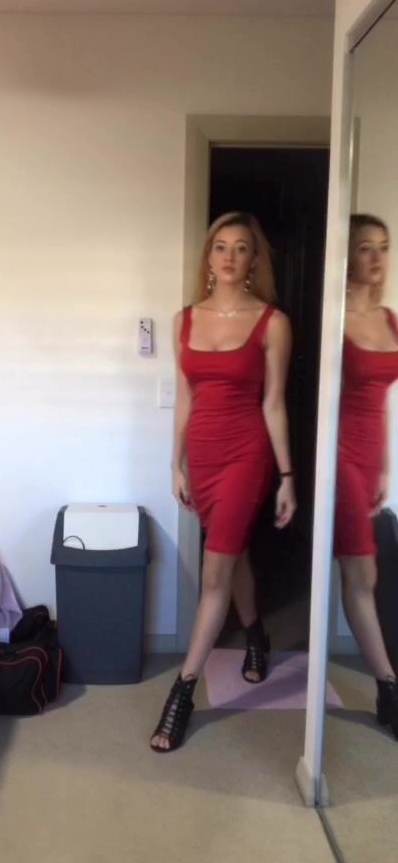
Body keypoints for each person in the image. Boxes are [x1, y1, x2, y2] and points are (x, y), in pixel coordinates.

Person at [151, 211, 296, 753]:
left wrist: (287, 476)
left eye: (241, 248)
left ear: (254, 259)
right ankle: (256, 634)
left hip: (246, 454)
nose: (230, 256)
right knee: (231, 555)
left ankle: (182, 692)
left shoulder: (272, 322)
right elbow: (185, 397)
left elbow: (274, 403)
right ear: (208, 258)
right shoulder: (183, 320)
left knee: (215, 571)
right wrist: (176, 462)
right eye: (221, 247)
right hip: (204, 456)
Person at [334, 213, 398, 739]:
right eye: (364, 248)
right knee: (362, 574)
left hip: (369, 453)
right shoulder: (331, 319)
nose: (376, 258)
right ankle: (389, 687)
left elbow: (381, 401)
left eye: (383, 247)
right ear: (346, 254)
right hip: (335, 456)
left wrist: (386, 465)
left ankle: (385, 686)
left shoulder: (391, 320)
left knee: (362, 575)